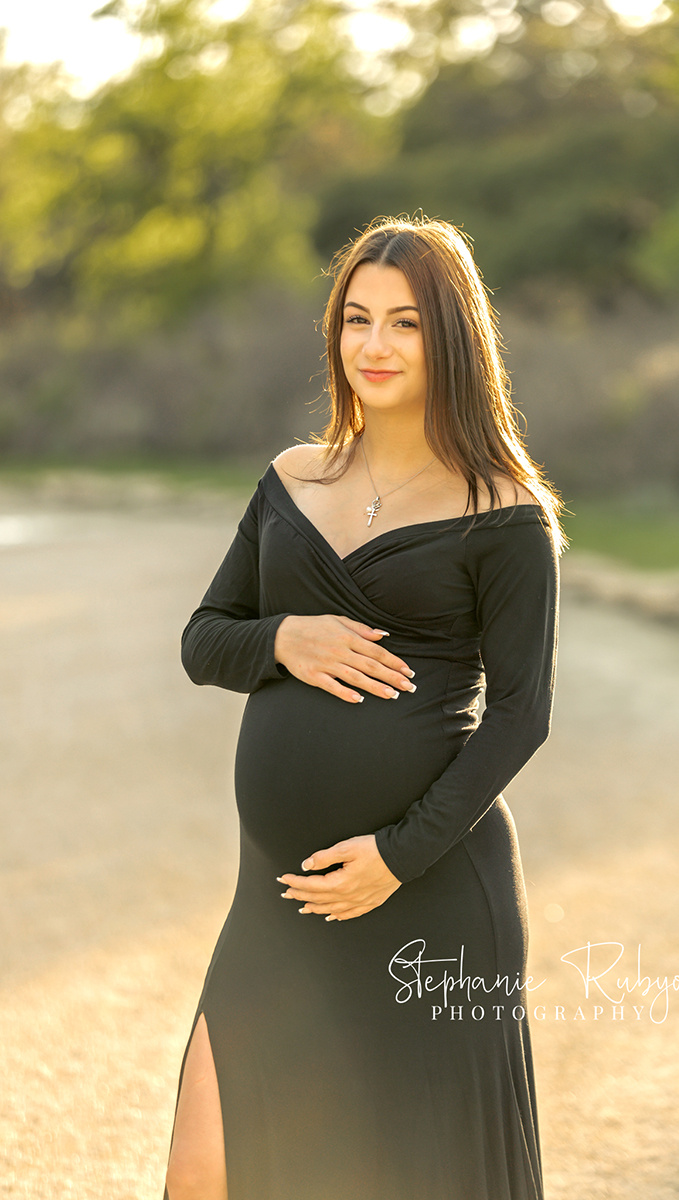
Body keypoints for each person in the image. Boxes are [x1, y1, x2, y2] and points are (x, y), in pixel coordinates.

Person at [163, 215, 563, 1200]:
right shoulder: (294, 480)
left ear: (452, 338)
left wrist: (395, 856)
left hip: (428, 891)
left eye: (405, 324)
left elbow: (520, 714)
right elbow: (203, 638)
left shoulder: (501, 508)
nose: (373, 346)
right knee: (204, 1170)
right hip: (279, 894)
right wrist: (280, 639)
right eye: (355, 319)